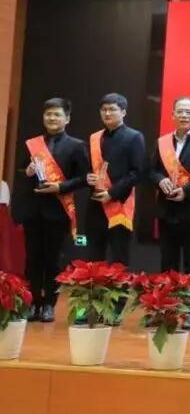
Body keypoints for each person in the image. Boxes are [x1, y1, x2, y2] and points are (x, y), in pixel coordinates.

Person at [16, 98, 89, 323]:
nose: (52, 118)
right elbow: (21, 169)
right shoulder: (32, 144)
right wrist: (27, 172)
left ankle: (49, 304)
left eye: (57, 114)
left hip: (58, 211)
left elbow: (84, 178)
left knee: (54, 260)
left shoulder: (76, 146)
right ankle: (32, 303)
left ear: (67, 119)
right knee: (32, 259)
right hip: (33, 210)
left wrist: (60, 187)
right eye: (48, 114)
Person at [148, 97, 190, 330]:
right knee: (167, 263)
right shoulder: (162, 143)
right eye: (180, 111)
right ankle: (164, 309)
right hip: (166, 210)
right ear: (172, 115)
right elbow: (151, 171)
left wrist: (186, 191)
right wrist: (160, 180)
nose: (184, 115)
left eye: (189, 112)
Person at [86, 93, 145, 266]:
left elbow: (137, 172)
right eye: (104, 109)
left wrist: (111, 193)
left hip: (119, 203)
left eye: (112, 109)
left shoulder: (134, 137)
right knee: (94, 257)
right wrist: (87, 177)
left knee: (119, 258)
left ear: (123, 112)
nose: (107, 113)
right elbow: (88, 168)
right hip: (95, 203)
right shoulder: (95, 138)